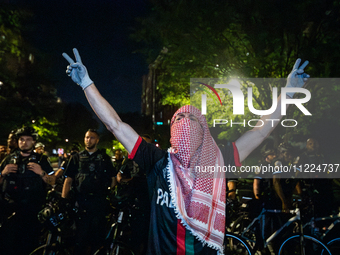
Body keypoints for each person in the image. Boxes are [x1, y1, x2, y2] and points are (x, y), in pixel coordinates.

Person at [62, 48, 309, 254]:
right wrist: (86, 83)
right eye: (179, 118)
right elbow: (114, 124)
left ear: (204, 130)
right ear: (172, 131)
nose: (185, 122)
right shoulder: (157, 160)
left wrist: (287, 93)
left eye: (192, 118)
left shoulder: (218, 159)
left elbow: (259, 132)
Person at [0, 127, 55, 255]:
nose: (24, 143)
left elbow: (53, 181)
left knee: (29, 245)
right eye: (21, 140)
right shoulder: (8, 159)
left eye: (28, 140)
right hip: (10, 209)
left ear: (34, 142)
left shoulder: (42, 160)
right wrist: (3, 173)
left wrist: (41, 173)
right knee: (8, 245)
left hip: (32, 209)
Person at [61, 129, 116, 255]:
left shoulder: (104, 158)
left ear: (97, 140)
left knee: (98, 240)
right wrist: (64, 199)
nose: (88, 140)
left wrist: (111, 196)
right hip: (81, 203)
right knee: (80, 239)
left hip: (99, 203)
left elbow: (113, 179)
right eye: (86, 137)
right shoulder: (76, 158)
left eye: (91, 138)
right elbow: (68, 180)